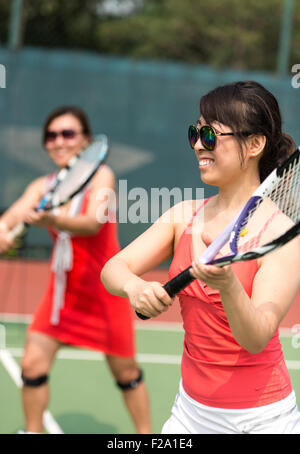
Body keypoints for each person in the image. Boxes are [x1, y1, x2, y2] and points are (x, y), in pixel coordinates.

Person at [101, 81, 300, 434]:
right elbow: (113, 268)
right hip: (191, 413)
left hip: (263, 418)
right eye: (195, 132)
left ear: (254, 144)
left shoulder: (280, 234)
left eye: (210, 135)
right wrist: (135, 288)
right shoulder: (183, 216)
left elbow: (256, 337)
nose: (197, 144)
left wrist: (227, 286)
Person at [0, 106, 151, 434]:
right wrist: (2, 231)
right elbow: (9, 219)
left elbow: (92, 223)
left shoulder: (102, 177)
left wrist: (52, 219)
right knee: (32, 365)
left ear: (84, 141)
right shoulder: (44, 186)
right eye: (52, 136)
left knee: (126, 374)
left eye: (68, 133)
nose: (59, 141)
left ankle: (148, 438)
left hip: (104, 292)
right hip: (62, 295)